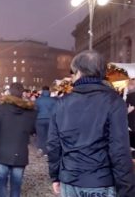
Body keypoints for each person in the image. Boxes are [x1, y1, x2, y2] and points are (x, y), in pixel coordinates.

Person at [48, 50, 135, 197]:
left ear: (79, 72)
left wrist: (55, 175)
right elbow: (119, 149)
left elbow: (53, 144)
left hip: (70, 178)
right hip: (101, 181)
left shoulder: (61, 103)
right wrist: (127, 188)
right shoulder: (114, 101)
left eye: (73, 72)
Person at [0, 83, 36, 197]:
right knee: (16, 186)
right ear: (22, 93)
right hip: (19, 153)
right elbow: (32, 130)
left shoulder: (1, 109)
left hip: (2, 152)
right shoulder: (30, 111)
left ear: (9, 92)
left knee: (2, 185)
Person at [33, 86, 56, 157]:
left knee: (40, 135)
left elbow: (35, 110)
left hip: (40, 119)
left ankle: (41, 149)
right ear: (49, 91)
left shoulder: (38, 100)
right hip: (50, 119)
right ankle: (47, 150)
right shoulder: (53, 100)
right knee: (49, 135)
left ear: (42, 91)